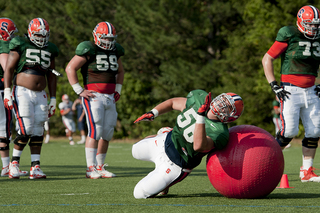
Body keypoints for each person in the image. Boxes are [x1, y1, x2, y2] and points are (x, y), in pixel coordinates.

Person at [132, 89, 244, 198]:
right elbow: (173, 103)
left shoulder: (220, 133)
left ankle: (164, 185)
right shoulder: (200, 98)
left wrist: (200, 116)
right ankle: (164, 133)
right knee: (134, 151)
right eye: (224, 99)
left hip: (176, 164)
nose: (222, 104)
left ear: (230, 117)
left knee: (139, 194)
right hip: (166, 140)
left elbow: (198, 146)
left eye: (228, 107)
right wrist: (153, 113)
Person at [262, 5, 320, 182]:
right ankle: (264, 162)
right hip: (290, 90)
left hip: (311, 90)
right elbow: (267, 59)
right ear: (301, 22)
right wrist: (274, 84)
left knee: (315, 131)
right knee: (289, 132)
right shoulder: (289, 33)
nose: (313, 28)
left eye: (316, 25)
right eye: (310, 24)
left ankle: (307, 171)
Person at [65, 21, 124, 179]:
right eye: (105, 38)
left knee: (107, 132)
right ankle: (90, 167)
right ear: (96, 36)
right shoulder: (89, 48)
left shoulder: (115, 51)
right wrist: (79, 90)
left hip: (110, 96)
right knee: (95, 130)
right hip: (94, 96)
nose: (108, 41)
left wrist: (118, 89)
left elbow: (120, 70)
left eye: (111, 38)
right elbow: (70, 68)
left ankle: (100, 166)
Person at [3, 17, 58, 179]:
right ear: (30, 33)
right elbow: (9, 69)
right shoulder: (20, 43)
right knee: (25, 128)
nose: (41, 38)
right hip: (22, 91)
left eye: (44, 35)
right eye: (38, 35)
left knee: (38, 129)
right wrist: (7, 91)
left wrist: (53, 98)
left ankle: (35, 167)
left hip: (41, 94)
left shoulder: (51, 49)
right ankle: (14, 164)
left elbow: (52, 75)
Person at [0, 18, 28, 177]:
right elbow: (6, 68)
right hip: (1, 89)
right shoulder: (3, 45)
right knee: (4, 127)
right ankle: (6, 167)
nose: (13, 36)